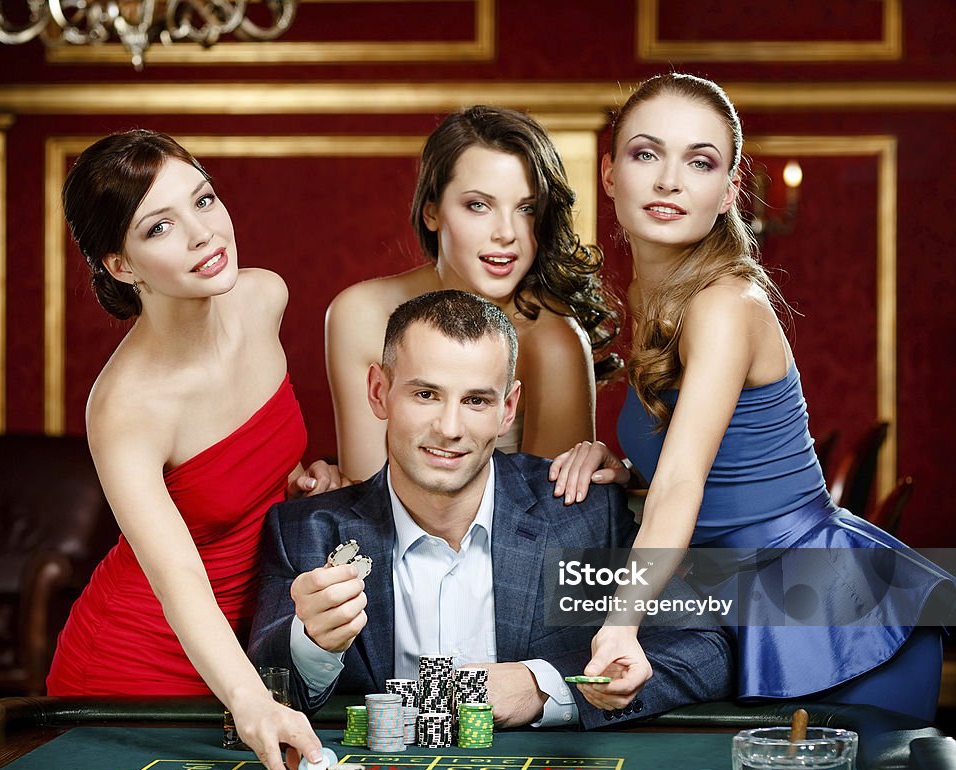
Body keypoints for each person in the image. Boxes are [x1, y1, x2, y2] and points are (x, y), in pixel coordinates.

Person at [549, 73, 952, 722]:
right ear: (608, 174)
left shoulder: (725, 304)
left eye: (699, 161)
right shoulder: (650, 298)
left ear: (729, 189)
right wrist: (626, 467)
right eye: (646, 154)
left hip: (826, 611)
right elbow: (694, 460)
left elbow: (686, 480)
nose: (669, 180)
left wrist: (622, 623)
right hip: (727, 595)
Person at [249, 291, 732, 728]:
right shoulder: (306, 531)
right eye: (425, 394)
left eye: (476, 400)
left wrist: (540, 686)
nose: (450, 427)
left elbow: (705, 650)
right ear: (379, 392)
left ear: (507, 409)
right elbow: (262, 683)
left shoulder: (578, 517)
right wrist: (312, 643)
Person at [46, 130, 336, 770]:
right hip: (131, 671)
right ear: (121, 265)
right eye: (160, 228)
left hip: (246, 653)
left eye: (204, 201)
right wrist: (250, 700)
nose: (204, 233)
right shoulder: (125, 405)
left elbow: (240, 479)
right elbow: (176, 577)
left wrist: (300, 483)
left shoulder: (265, 298)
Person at [327, 105, 619, 480]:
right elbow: (364, 490)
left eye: (527, 209)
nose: (506, 233)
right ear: (432, 211)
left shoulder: (553, 340)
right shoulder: (361, 314)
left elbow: (552, 520)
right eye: (478, 205)